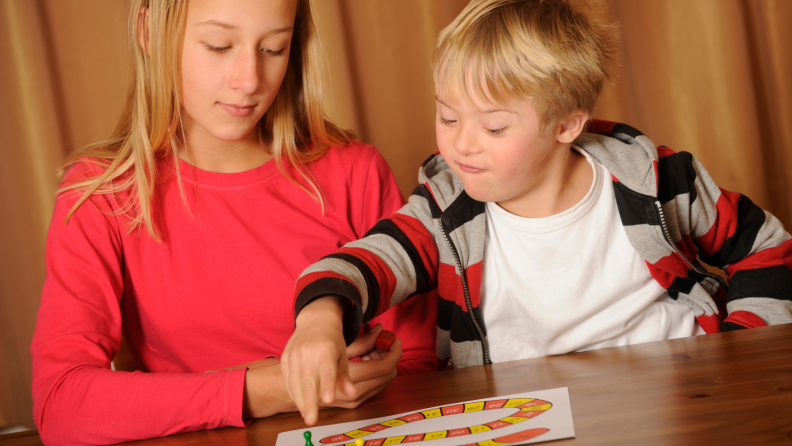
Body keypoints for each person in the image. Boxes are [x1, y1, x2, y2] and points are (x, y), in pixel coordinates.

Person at [281, 0, 792, 426]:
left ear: (567, 125)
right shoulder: (444, 212)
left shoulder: (657, 182)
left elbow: (768, 248)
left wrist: (736, 356)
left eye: (495, 127)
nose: (461, 143)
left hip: (686, 406)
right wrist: (320, 318)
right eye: (448, 115)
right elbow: (365, 261)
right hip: (533, 418)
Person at [31, 0, 437, 444]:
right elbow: (61, 406)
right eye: (219, 45)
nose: (249, 81)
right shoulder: (101, 195)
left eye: (274, 49)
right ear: (150, 34)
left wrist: (372, 375)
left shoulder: (353, 172)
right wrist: (260, 390)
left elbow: (418, 362)